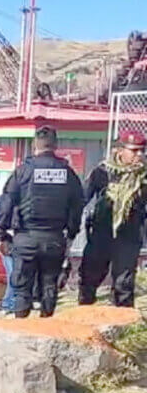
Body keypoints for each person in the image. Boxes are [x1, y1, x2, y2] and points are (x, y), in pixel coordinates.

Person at [0, 126, 84, 318]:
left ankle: (22, 328)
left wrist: (1, 233)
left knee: (22, 287)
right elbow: (78, 206)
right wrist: (71, 234)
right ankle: (45, 325)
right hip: (54, 239)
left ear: (34, 145)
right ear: (56, 146)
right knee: (49, 285)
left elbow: (7, 203)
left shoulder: (22, 172)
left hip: (26, 237)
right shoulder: (68, 174)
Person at [79, 130, 147, 307]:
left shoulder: (144, 177)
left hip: (129, 236)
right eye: (134, 150)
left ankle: (123, 323)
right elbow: (82, 199)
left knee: (123, 283)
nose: (139, 155)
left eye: (142, 150)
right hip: (101, 233)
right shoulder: (102, 172)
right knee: (89, 277)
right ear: (119, 150)